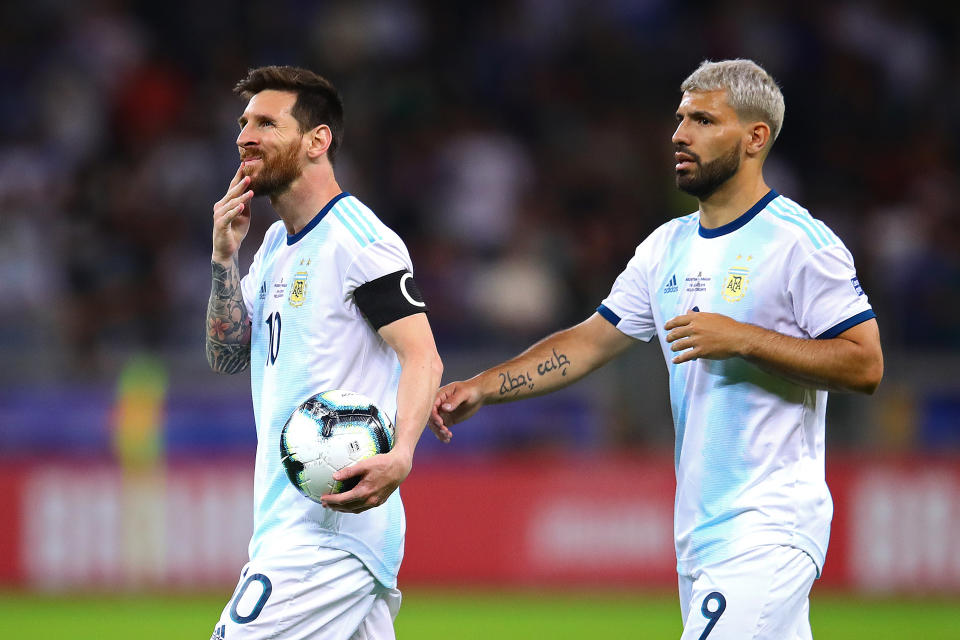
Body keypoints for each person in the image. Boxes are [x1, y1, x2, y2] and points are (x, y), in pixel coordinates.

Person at [430, 59, 883, 639]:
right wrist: (483, 387)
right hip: (700, 532)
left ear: (754, 137)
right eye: (679, 119)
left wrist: (742, 338)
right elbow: (590, 342)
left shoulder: (799, 243)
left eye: (702, 119)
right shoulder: (665, 247)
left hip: (767, 526)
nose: (679, 134)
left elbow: (865, 362)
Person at [205, 65, 443, 640]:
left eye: (266, 122)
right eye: (243, 123)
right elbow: (229, 357)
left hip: (330, 530)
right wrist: (222, 261)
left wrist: (402, 454)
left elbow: (423, 358)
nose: (245, 135)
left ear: (318, 140)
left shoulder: (358, 240)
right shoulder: (272, 249)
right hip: (290, 519)